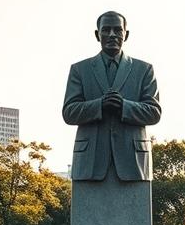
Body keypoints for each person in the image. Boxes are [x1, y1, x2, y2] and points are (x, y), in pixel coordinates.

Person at [62, 11, 161, 182]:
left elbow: (154, 112)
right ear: (97, 35)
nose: (112, 34)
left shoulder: (144, 69)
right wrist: (99, 105)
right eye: (106, 30)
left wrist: (124, 106)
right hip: (89, 163)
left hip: (134, 163)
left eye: (118, 30)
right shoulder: (80, 70)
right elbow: (69, 112)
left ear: (126, 34)